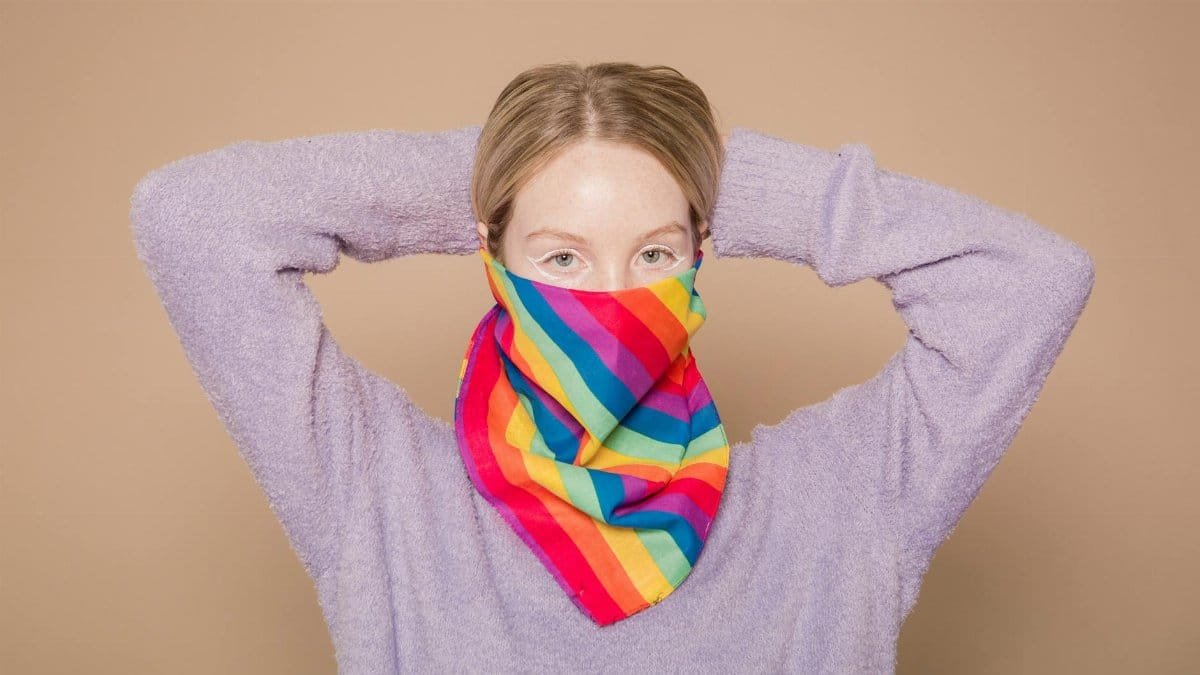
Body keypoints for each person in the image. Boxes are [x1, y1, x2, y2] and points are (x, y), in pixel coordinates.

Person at [129, 61, 1095, 673]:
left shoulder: (841, 503)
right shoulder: (380, 496)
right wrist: (529, 158)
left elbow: (1029, 280)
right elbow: (193, 216)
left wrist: (712, 176)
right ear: (491, 255)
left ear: (703, 253)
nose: (613, 296)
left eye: (655, 252)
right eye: (562, 256)